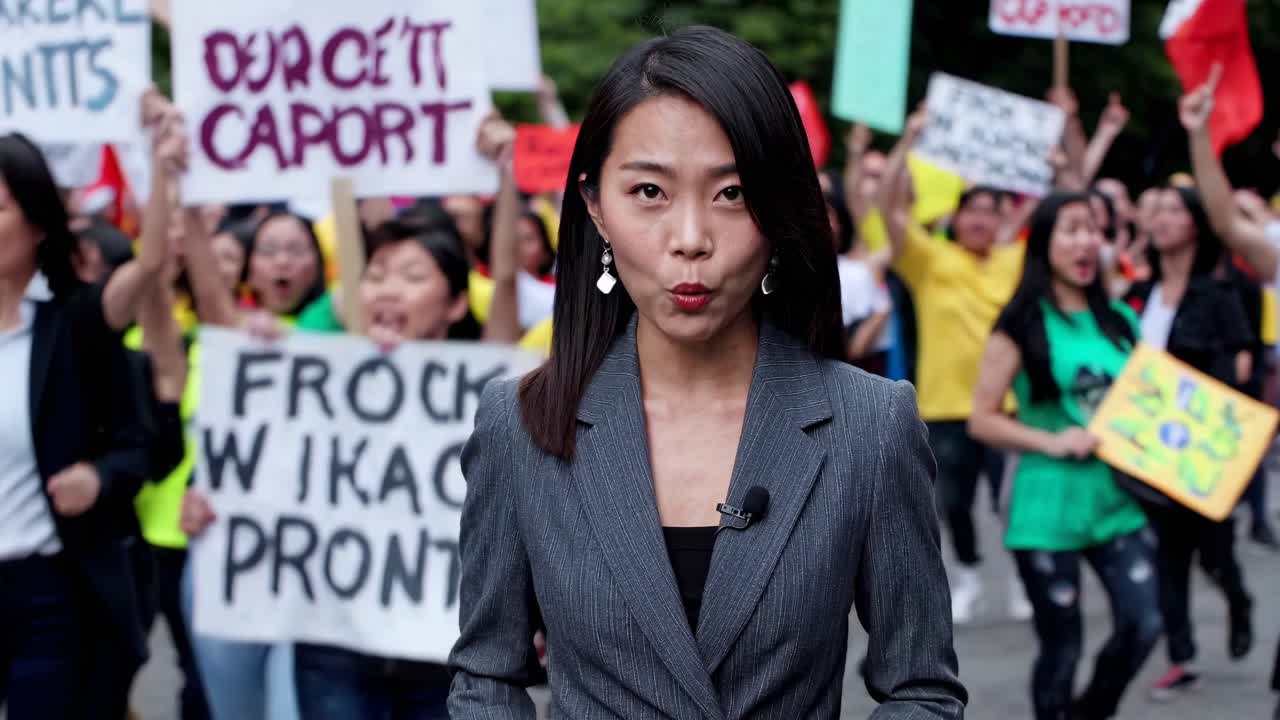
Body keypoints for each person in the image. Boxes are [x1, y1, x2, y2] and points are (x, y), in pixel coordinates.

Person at [448, 26, 965, 719]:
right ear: (596, 205)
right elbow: (486, 677)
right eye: (650, 192)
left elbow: (920, 689)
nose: (690, 237)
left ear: (780, 210)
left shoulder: (869, 426)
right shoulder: (521, 424)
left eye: (731, 194)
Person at [969, 193, 1162, 720]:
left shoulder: (1121, 319)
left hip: (1117, 502)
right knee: (1063, 650)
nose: (1084, 242)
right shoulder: (1021, 324)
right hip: (1045, 509)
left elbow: (1149, 404)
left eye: (1093, 229)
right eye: (1071, 229)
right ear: (1045, 242)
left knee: (1145, 624)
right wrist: (1054, 441)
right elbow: (981, 418)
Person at [0, 131, 170, 718]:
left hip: (47, 593)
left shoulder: (72, 325)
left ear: (39, 225)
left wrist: (96, 481)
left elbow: (149, 263)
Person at [878, 108, 1024, 624]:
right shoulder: (928, 259)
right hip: (943, 405)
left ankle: (1022, 580)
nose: (980, 219)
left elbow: (1063, 195)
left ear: (1002, 219)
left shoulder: (1014, 261)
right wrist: (908, 142)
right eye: (972, 210)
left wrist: (1072, 136)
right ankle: (969, 576)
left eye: (991, 211)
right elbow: (886, 205)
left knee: (1013, 503)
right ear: (956, 218)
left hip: (1005, 406)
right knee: (955, 503)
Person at [1123, 178, 1256, 700]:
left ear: (1197, 225)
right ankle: (1182, 657)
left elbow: (1239, 365)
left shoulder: (1219, 295)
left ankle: (1238, 598)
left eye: (1174, 210)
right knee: (1167, 558)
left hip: (1202, 451)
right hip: (1149, 453)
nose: (1160, 219)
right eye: (1155, 210)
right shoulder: (1136, 295)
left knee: (1214, 554)